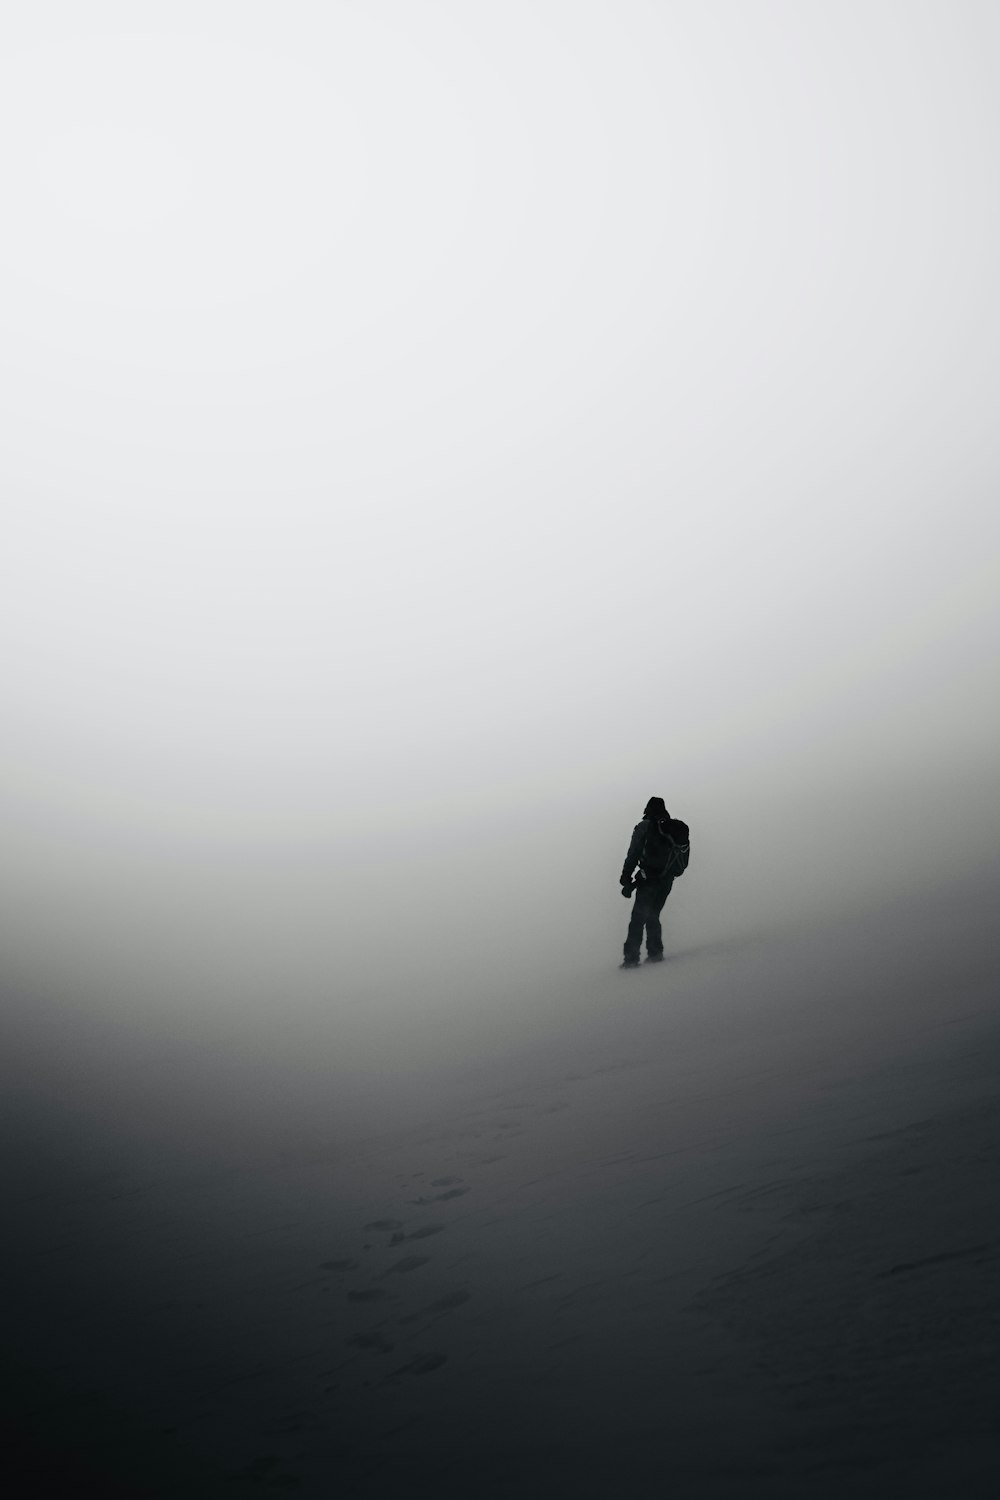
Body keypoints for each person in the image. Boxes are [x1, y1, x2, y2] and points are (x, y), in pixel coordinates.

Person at [619, 797, 690, 968]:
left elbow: (633, 853)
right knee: (653, 915)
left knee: (638, 918)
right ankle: (655, 953)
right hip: (666, 880)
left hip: (648, 878)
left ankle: (631, 959)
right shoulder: (673, 828)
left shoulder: (645, 827)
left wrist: (625, 877)